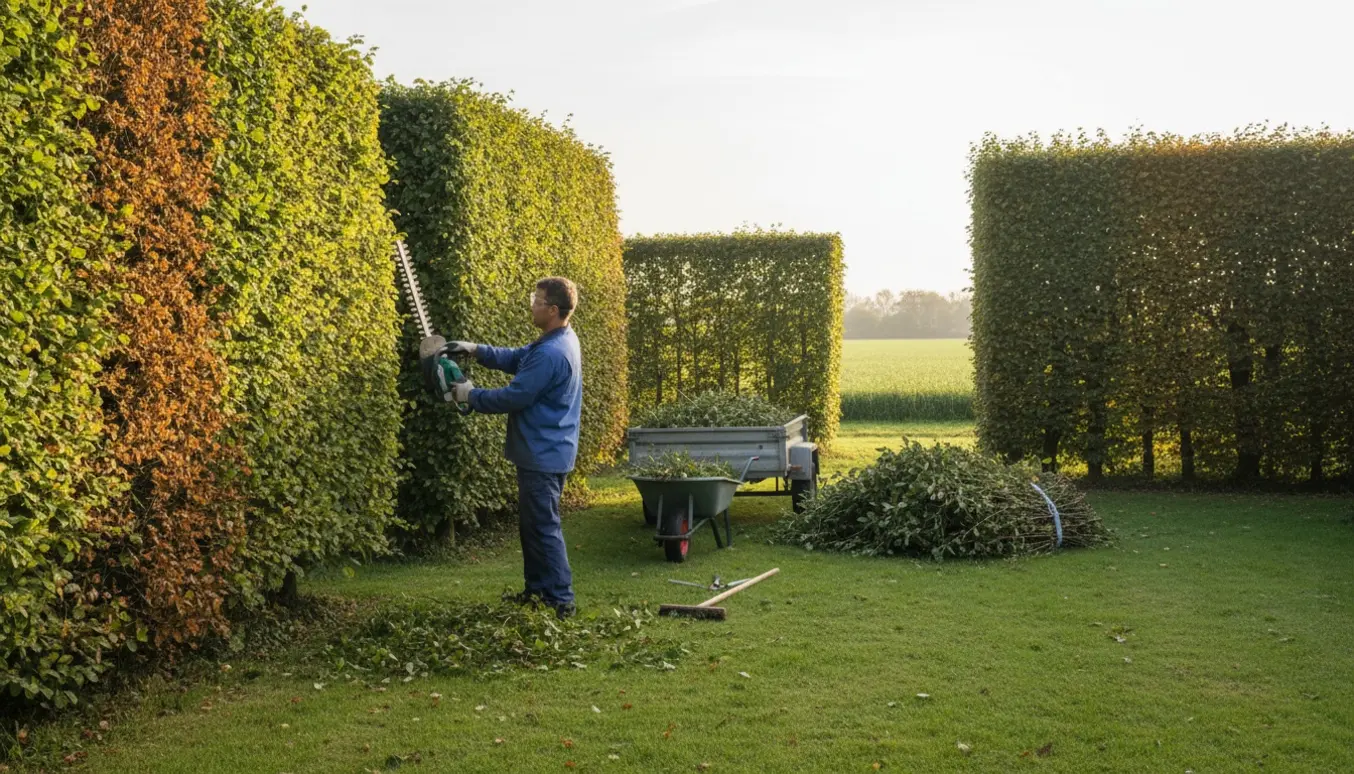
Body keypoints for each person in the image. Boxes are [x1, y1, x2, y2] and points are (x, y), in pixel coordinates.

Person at [447, 277, 582, 619]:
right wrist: (477, 350)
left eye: (537, 301)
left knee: (543, 528)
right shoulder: (556, 340)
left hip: (543, 453)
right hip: (546, 449)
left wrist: (470, 396)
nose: (531, 306)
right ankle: (537, 593)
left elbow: (515, 396)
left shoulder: (552, 352)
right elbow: (518, 357)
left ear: (553, 310)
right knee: (533, 527)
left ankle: (560, 601)